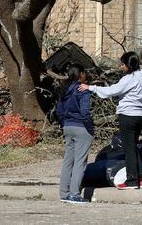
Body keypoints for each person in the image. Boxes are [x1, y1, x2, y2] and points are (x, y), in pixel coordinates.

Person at [80, 51, 142, 189]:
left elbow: (112, 91)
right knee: (133, 146)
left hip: (127, 116)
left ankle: (132, 180)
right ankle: (140, 177)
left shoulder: (128, 79)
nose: (121, 67)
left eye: (122, 64)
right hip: (139, 115)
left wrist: (91, 88)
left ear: (128, 65)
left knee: (128, 149)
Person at [57, 63, 94, 204]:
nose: (86, 75)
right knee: (80, 162)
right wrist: (90, 126)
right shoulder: (82, 90)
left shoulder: (64, 89)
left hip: (67, 126)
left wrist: (64, 124)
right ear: (81, 74)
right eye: (84, 72)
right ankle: (74, 194)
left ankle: (64, 193)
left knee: (68, 161)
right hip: (81, 127)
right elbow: (85, 112)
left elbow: (59, 111)